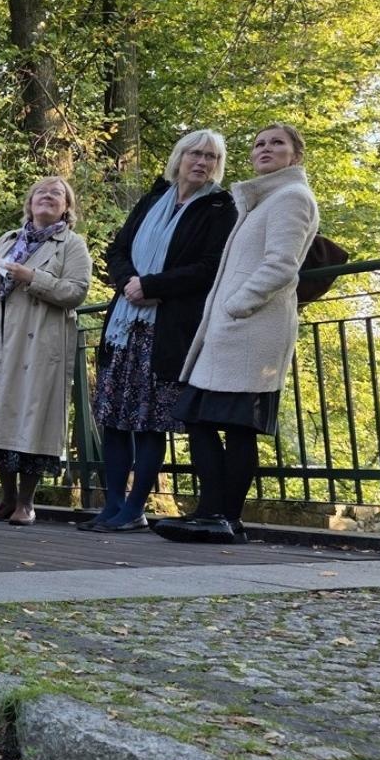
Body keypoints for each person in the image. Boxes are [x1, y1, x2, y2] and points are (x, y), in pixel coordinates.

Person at [154, 123, 319, 545]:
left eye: (277, 143)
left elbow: (282, 265)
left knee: (229, 424)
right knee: (204, 417)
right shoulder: (261, 201)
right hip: (231, 330)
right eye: (260, 144)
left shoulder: (291, 198)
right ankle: (220, 514)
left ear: (295, 156)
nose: (266, 149)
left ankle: (219, 515)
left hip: (252, 328)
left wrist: (236, 304)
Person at [85, 130, 237, 532]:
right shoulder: (153, 199)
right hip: (124, 324)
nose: (202, 162)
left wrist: (153, 287)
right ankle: (112, 504)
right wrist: (129, 283)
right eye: (195, 154)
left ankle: (135, 508)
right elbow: (116, 250)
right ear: (179, 157)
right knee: (115, 418)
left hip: (168, 328)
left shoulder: (220, 207)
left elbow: (210, 267)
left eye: (210, 156)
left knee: (150, 421)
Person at [0, 177, 93, 526]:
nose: (47, 197)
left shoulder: (71, 245)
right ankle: (6, 498)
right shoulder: (8, 239)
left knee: (30, 418)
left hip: (38, 345)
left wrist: (33, 277)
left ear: (66, 207)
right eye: (40, 193)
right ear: (29, 204)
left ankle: (26, 503)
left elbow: (76, 292)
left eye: (56, 194)